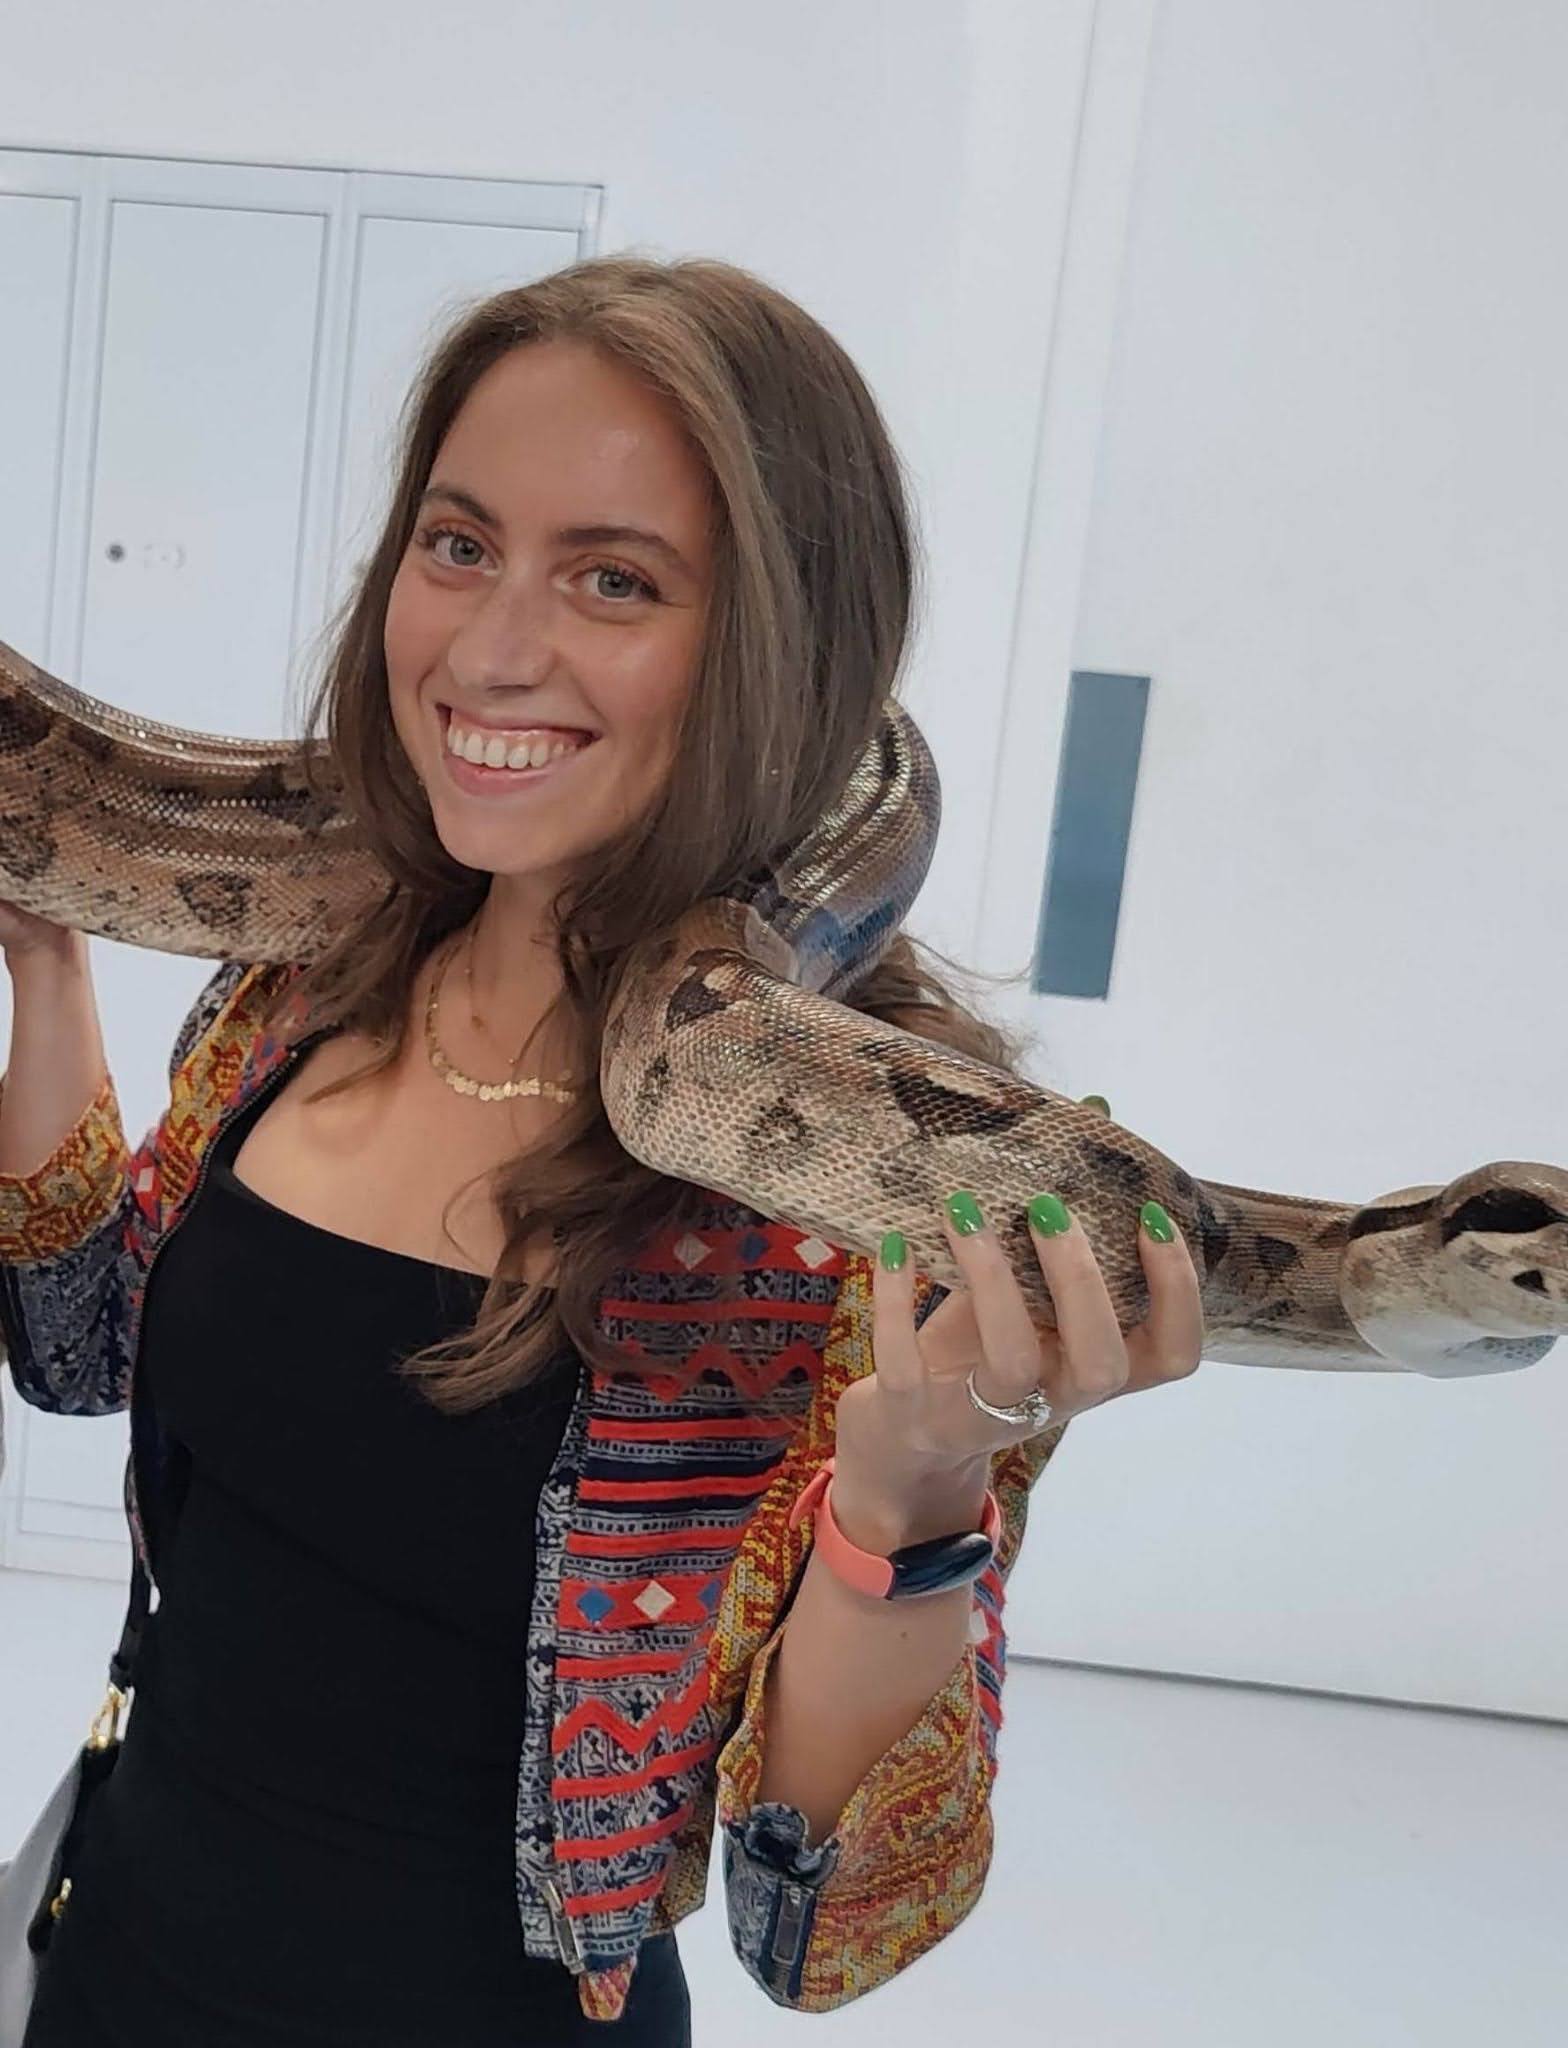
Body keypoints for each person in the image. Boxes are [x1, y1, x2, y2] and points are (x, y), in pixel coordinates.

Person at [0, 255, 1204, 2046]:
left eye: (616, 580)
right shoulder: (299, 991)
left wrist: (918, 1504)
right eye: (459, 543)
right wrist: (47, 965)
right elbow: (82, 1354)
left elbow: (821, 1933)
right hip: (109, 1954)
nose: (488, 651)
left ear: (777, 651)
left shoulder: (845, 1176)